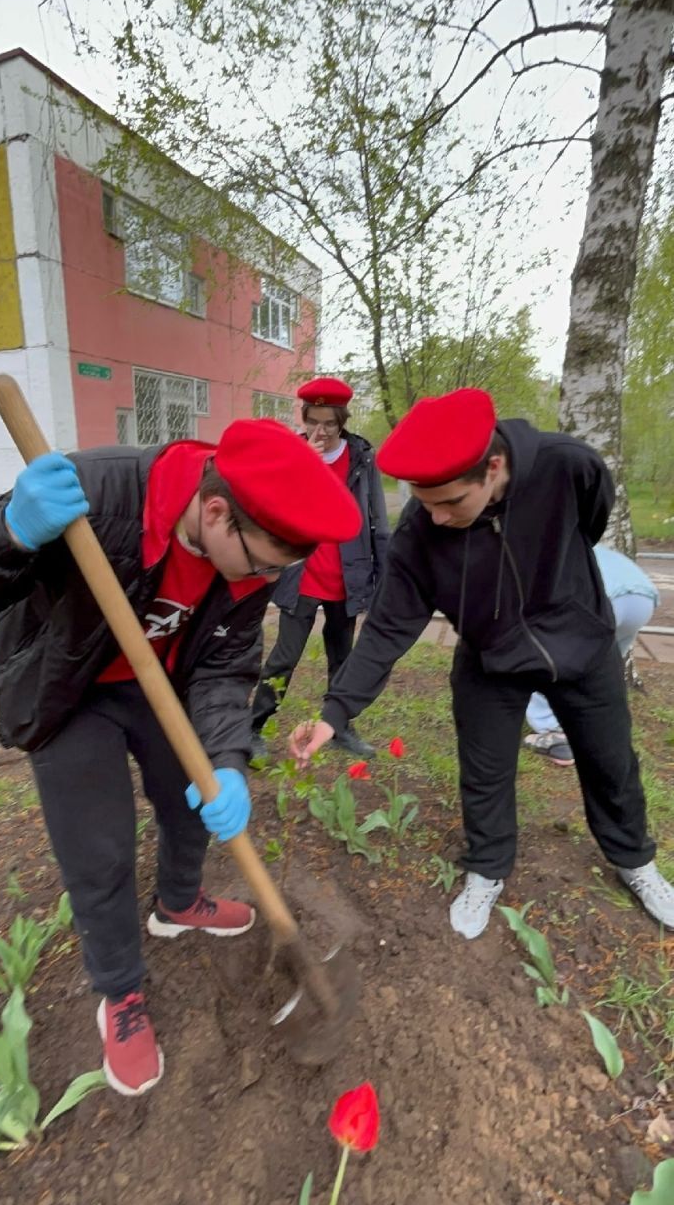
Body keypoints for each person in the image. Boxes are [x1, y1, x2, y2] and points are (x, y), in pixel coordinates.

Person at [0, 419, 361, 1096]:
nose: (264, 579)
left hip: (161, 684)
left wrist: (227, 757)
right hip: (67, 690)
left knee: (189, 802)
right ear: (214, 511)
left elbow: (227, 662)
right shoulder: (99, 493)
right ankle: (119, 991)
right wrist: (11, 533)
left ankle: (178, 903)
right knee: (102, 849)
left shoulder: (251, 547)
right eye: (261, 565)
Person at [290, 388, 674, 940]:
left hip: (580, 645)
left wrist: (562, 588)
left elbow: (590, 520)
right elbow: (388, 629)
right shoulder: (422, 532)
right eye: (426, 503)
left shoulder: (566, 465)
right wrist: (333, 713)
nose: (437, 517)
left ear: (494, 468)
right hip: (490, 658)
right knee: (485, 773)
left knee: (611, 761)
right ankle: (487, 870)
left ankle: (635, 860)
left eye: (451, 503)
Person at [250, 377, 390, 761]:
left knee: (343, 657)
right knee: (284, 657)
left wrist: (382, 573)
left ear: (341, 420)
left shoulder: (361, 455)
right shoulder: (293, 452)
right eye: (314, 421)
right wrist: (303, 463)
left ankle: (341, 727)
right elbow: (272, 506)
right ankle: (254, 727)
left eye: (330, 422)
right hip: (303, 574)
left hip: (347, 574)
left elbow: (377, 516)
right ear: (305, 418)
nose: (321, 431)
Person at [524, 545, 660, 766]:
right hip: (642, 598)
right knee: (605, 663)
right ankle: (603, 727)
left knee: (547, 657)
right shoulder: (579, 544)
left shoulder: (537, 552)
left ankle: (555, 735)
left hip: (599, 598)